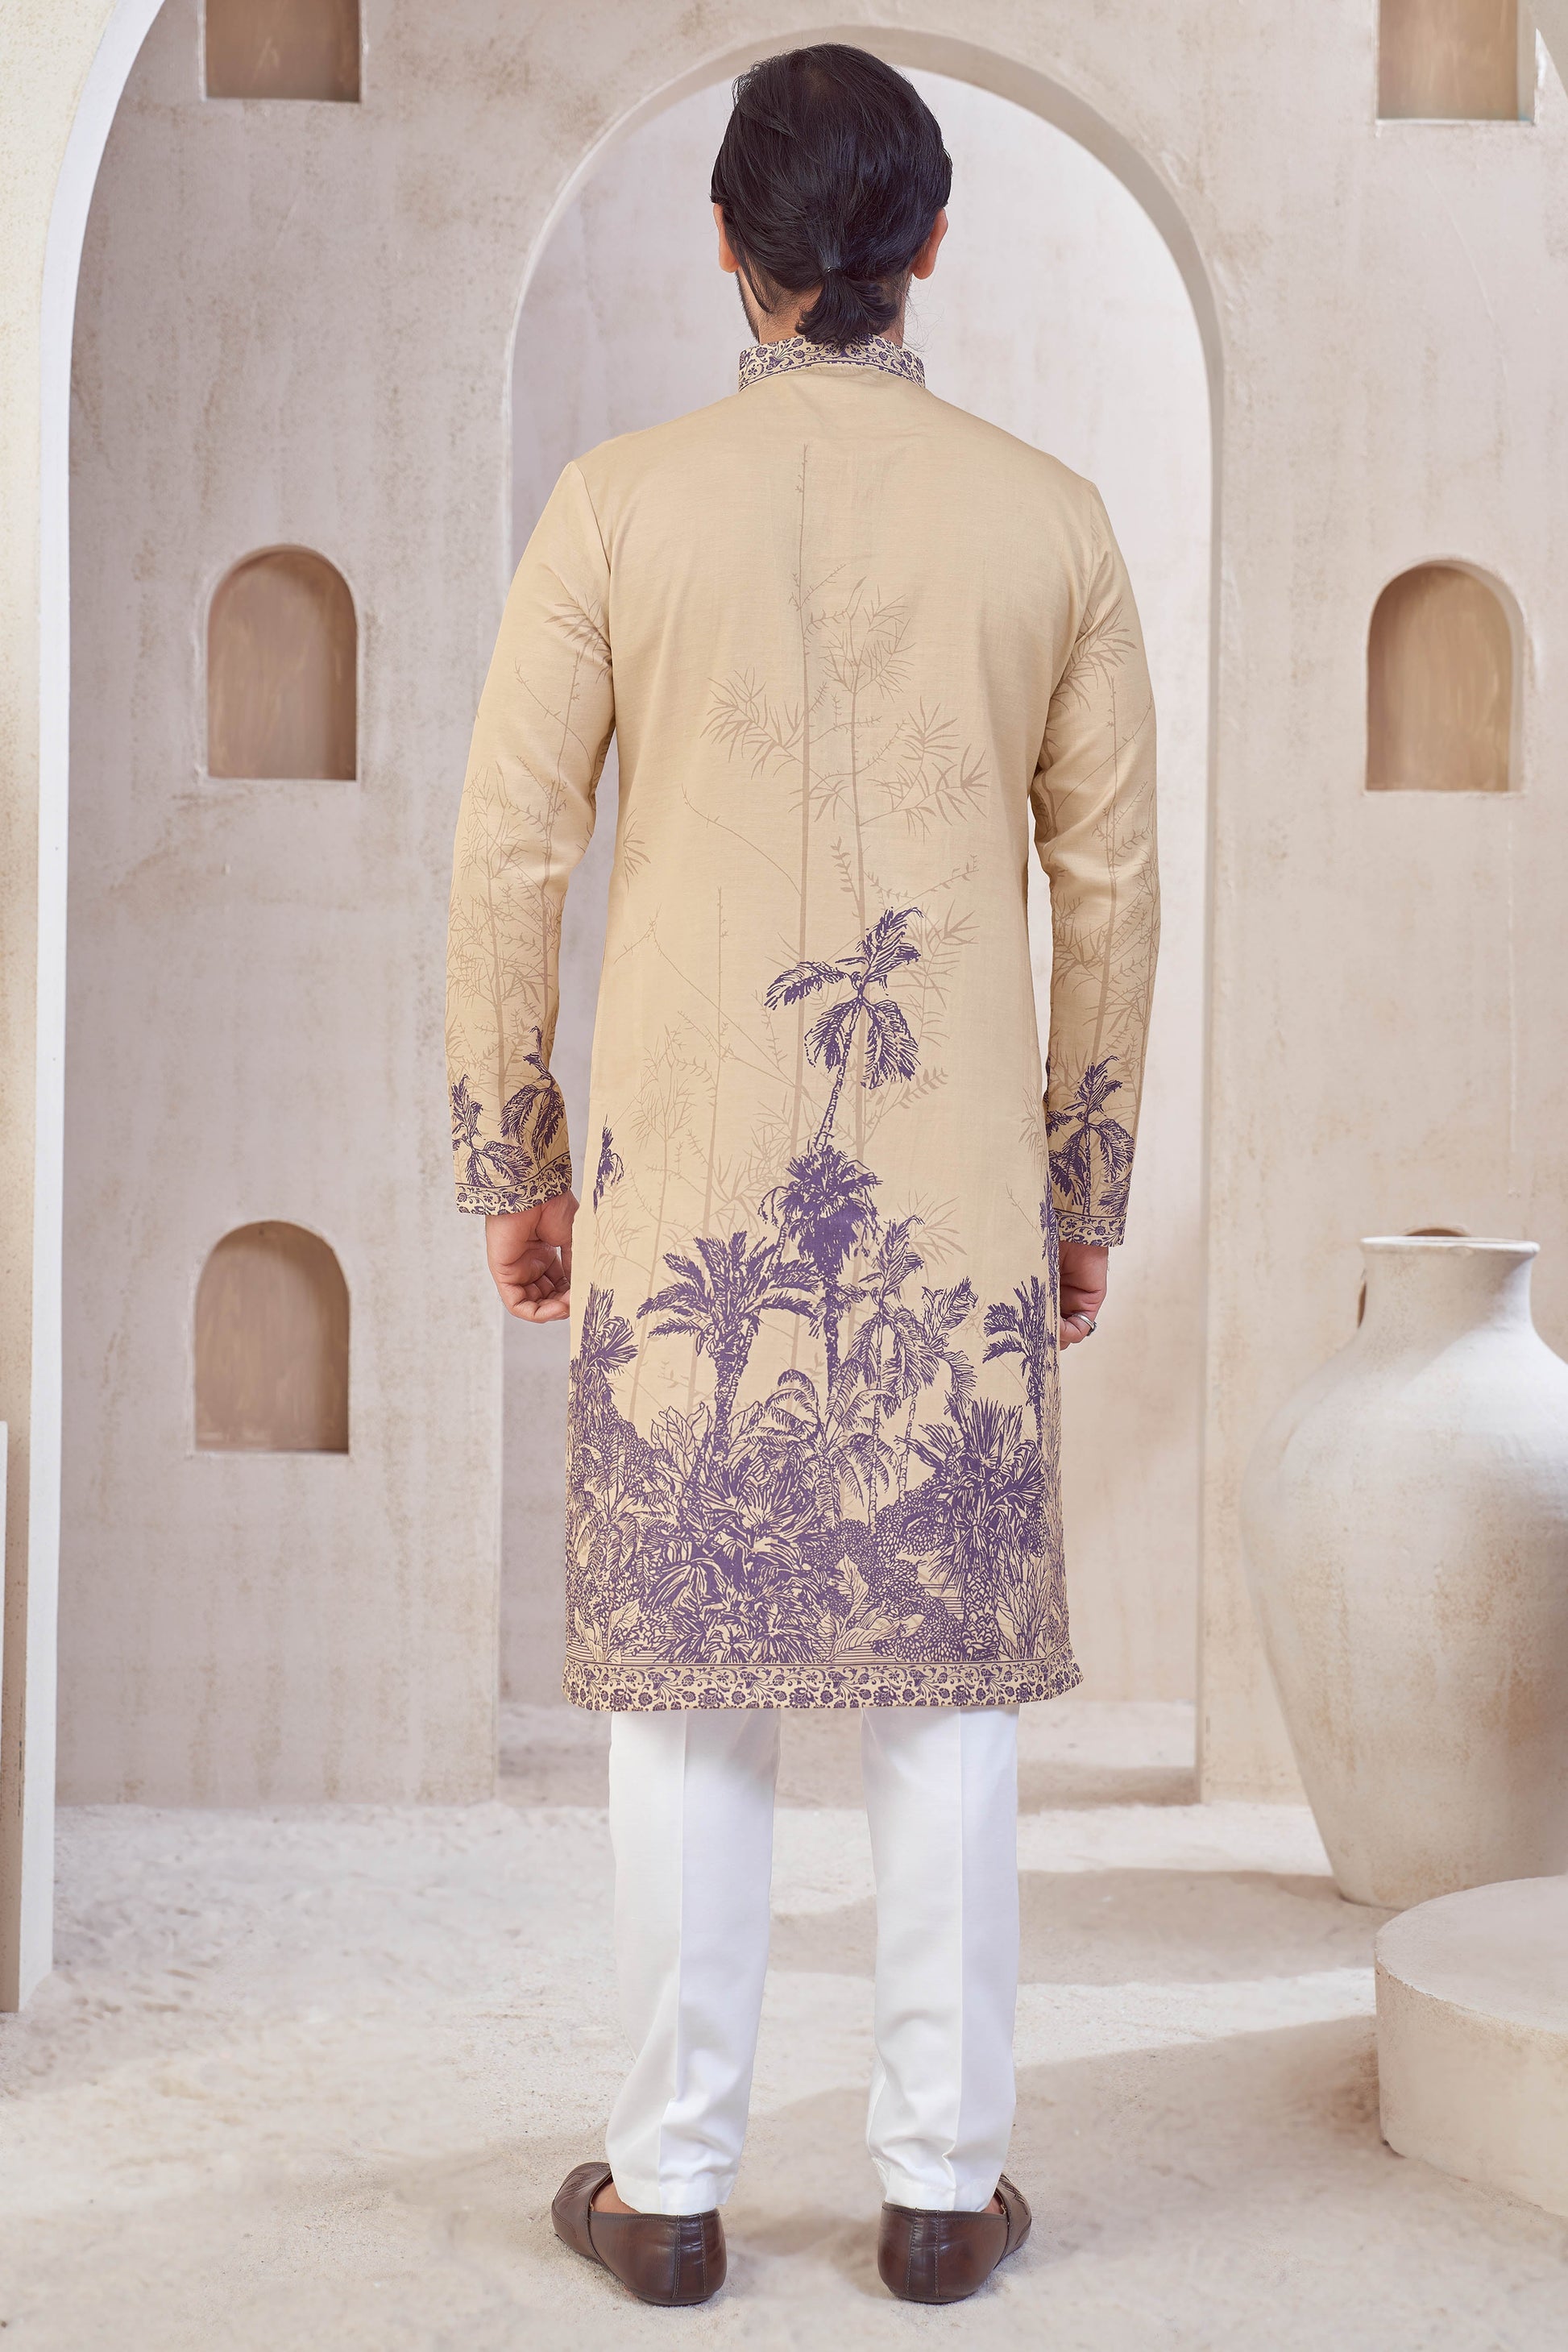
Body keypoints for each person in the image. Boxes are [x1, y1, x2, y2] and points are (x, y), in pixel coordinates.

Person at [446, 43, 1157, 2310]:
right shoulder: (1051, 520)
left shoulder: (615, 506)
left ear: (726, 248)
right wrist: (1077, 1190)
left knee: (688, 1692)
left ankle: (669, 2194)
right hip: (945, 1205)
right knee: (945, 1698)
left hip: (690, 1195)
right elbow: (1110, 891)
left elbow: (507, 855)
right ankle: (941, 2191)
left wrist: (514, 1152)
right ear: (930, 243)